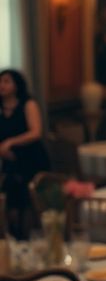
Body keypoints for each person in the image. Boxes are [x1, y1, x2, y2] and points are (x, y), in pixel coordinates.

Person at [0, 69, 50, 240]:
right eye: (0, 82)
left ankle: (32, 235)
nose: (2, 85)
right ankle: (15, 237)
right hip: (9, 162)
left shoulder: (28, 104)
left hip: (31, 159)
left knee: (29, 200)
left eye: (7, 81)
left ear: (16, 84)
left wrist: (11, 142)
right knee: (11, 201)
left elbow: (35, 132)